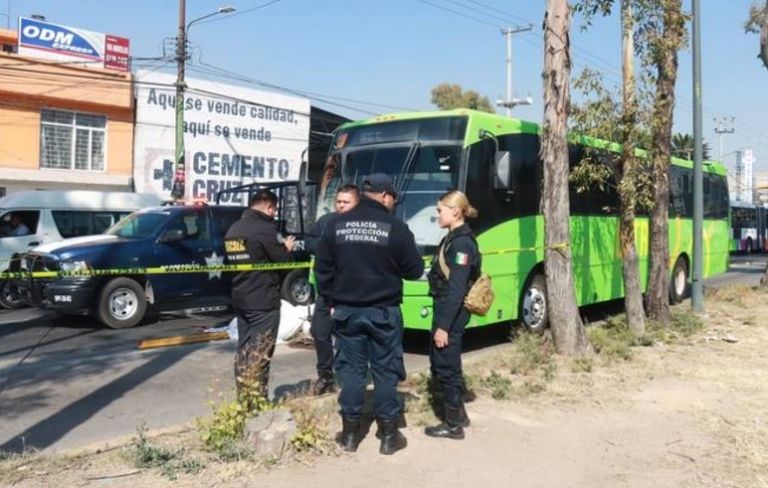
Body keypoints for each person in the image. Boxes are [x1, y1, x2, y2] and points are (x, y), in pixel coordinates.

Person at [314, 173, 424, 455]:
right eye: (393, 199)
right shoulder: (396, 228)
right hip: (383, 312)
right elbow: (414, 270)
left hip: (347, 312)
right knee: (385, 371)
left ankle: (350, 436)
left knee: (351, 371)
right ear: (385, 196)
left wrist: (333, 299)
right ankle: (388, 436)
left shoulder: (336, 225)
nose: (393, 204)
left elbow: (322, 270)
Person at [224, 189, 295, 401]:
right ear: (269, 207)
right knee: (260, 352)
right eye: (274, 210)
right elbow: (284, 263)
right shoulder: (265, 229)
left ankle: (243, 399)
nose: (274, 214)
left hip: (241, 298)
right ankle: (257, 402)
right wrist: (287, 249)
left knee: (244, 351)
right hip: (263, 300)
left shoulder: (234, 229)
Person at [425, 190, 480, 440]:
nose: (437, 215)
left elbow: (457, 290)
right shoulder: (452, 238)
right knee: (444, 363)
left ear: (455, 211)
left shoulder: (462, 244)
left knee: (446, 366)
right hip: (446, 309)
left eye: (440, 210)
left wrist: (443, 327)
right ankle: (459, 416)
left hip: (451, 313)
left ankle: (453, 425)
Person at [304, 184, 360, 396]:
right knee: (320, 332)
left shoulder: (361, 225)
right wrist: (328, 245)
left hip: (351, 293)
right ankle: (325, 376)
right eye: (339, 201)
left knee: (349, 336)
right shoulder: (326, 222)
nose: (341, 205)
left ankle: (349, 377)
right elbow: (309, 242)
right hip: (326, 292)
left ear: (357, 203)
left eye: (346, 202)